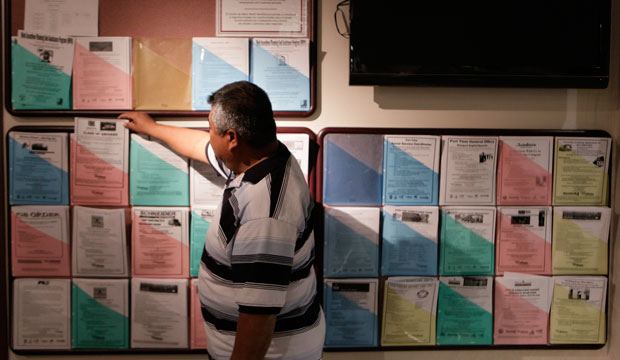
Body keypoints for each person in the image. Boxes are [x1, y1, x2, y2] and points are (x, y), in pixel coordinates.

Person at [119, 81, 325, 360]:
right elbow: (200, 146)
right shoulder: (259, 159)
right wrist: (152, 128)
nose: (208, 135)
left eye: (211, 129)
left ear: (232, 138)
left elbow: (259, 317)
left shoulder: (267, 215)